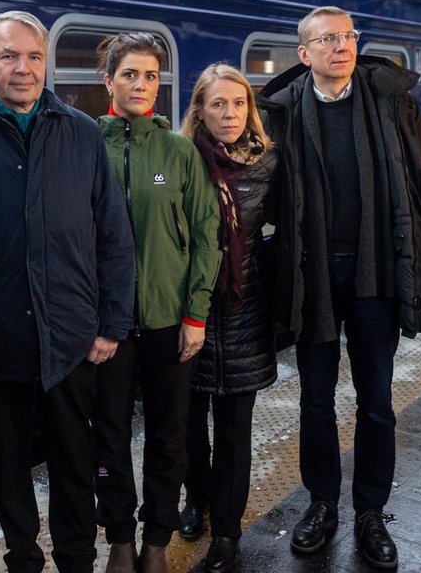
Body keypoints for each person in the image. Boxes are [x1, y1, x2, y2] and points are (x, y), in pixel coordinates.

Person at [0, 11, 136, 573]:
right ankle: (22, 559)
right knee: (7, 464)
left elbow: (114, 238)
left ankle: (77, 561)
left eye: (32, 56)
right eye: (8, 56)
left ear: (44, 61)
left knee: (76, 460)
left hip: (73, 337)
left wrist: (110, 325)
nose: (22, 68)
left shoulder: (81, 133)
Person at [259, 6, 421, 570]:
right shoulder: (283, 111)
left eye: (348, 36)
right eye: (327, 40)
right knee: (314, 400)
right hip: (310, 275)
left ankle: (370, 511)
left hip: (375, 272)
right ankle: (322, 503)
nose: (341, 47)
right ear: (304, 54)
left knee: (378, 400)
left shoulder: (391, 102)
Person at [91, 34, 220, 573]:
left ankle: (157, 540)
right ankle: (120, 539)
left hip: (170, 320)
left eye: (150, 76)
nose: (141, 85)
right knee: (110, 435)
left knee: (169, 436)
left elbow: (206, 234)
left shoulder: (179, 150)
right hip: (107, 325)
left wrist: (196, 314)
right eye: (129, 75)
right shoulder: (87, 144)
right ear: (108, 81)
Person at [177, 64, 279, 573]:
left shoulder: (267, 162)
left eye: (239, 104)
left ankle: (228, 525)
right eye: (218, 104)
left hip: (245, 307)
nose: (230, 114)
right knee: (190, 420)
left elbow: (291, 231)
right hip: (188, 309)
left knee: (237, 427)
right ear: (199, 109)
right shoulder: (180, 159)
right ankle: (195, 500)